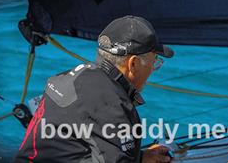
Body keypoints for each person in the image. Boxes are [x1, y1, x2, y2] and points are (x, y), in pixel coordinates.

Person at [16, 16, 175, 162]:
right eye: (154, 62)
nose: (153, 69)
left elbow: (74, 145)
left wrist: (139, 158)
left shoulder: (69, 78)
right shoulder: (112, 106)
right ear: (132, 64)